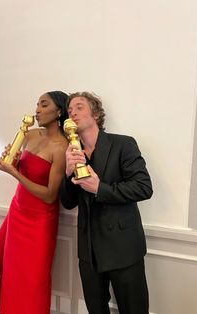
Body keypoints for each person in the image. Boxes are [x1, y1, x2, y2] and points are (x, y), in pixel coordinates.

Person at [0, 91, 69, 314]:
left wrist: (14, 173)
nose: (37, 110)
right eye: (37, 104)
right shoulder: (29, 135)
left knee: (33, 278)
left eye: (44, 104)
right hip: (18, 211)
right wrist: (10, 160)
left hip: (41, 220)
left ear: (59, 111)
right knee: (10, 271)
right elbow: (22, 166)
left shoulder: (62, 147)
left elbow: (50, 195)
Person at [59, 92, 153, 314]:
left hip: (123, 248)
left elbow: (144, 187)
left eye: (79, 107)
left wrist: (100, 188)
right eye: (70, 109)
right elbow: (68, 202)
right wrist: (67, 172)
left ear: (95, 114)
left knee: (134, 309)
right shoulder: (73, 152)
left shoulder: (123, 144)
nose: (72, 112)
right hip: (89, 251)